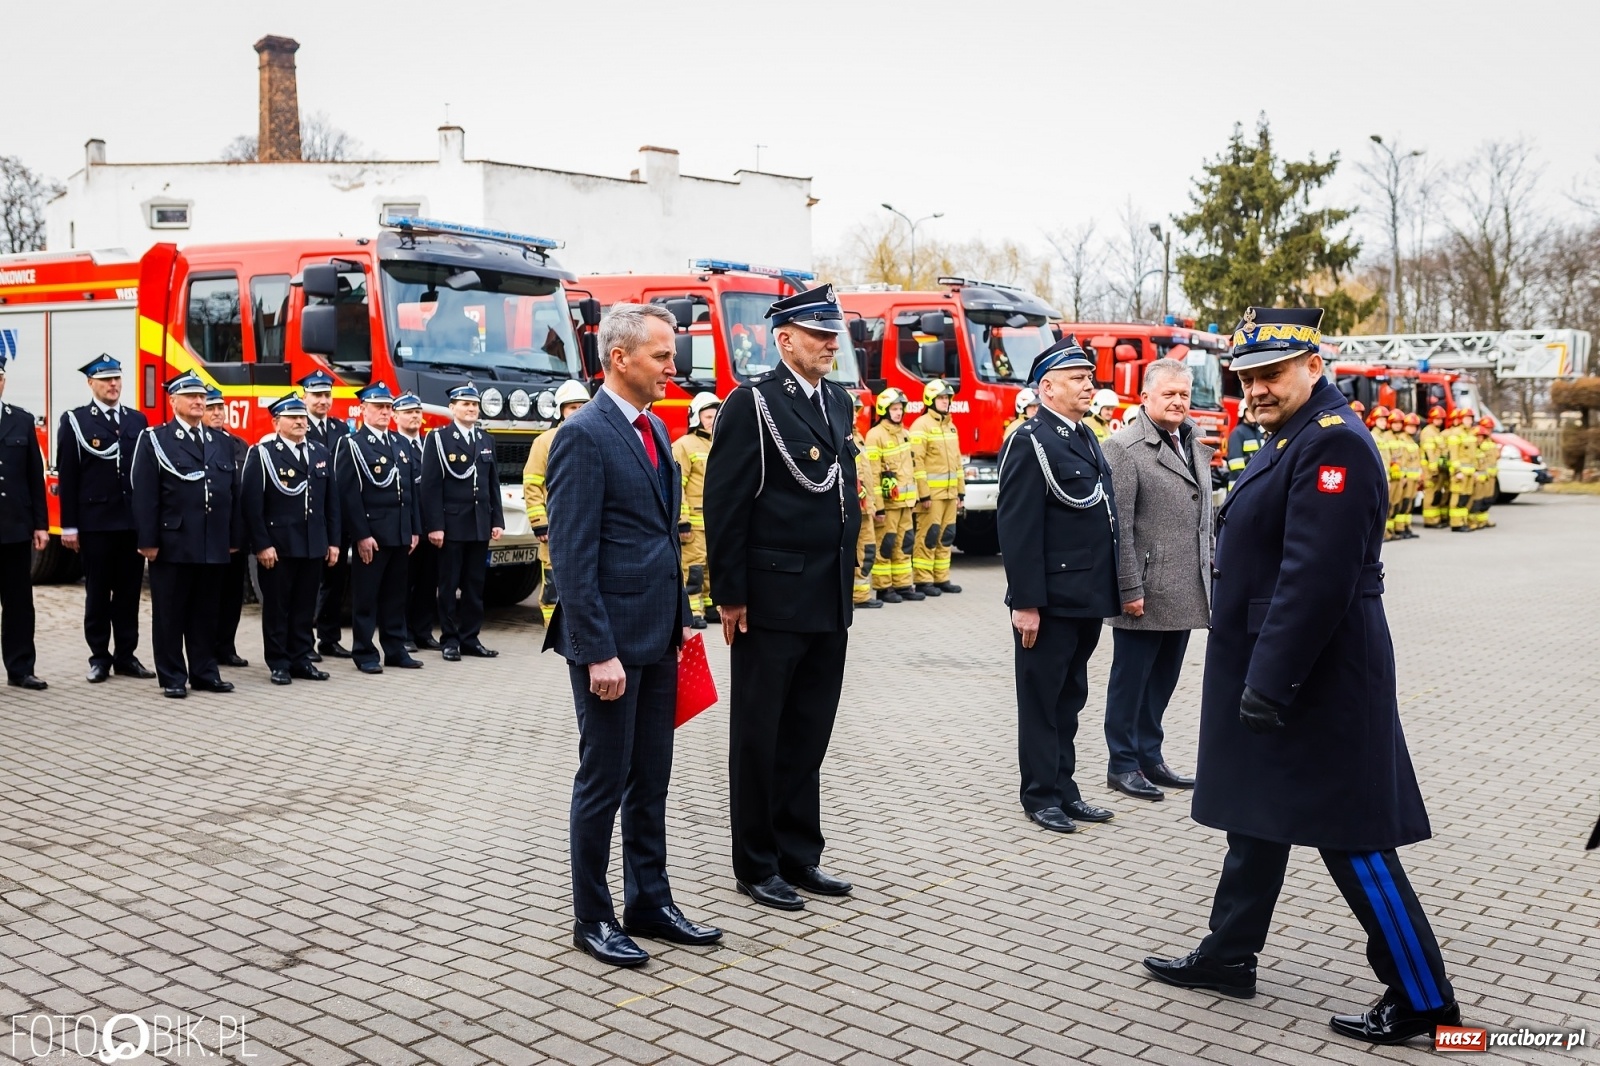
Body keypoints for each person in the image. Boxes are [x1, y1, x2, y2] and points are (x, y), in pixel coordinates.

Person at [1143, 307, 1460, 1046]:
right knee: (1257, 816)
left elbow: (1315, 579)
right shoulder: (1293, 435)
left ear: (1315, 366)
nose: (1255, 388)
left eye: (1272, 373)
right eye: (1246, 376)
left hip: (1316, 674)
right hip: (1280, 665)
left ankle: (1424, 998)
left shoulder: (1333, 443)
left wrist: (1271, 680)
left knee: (1352, 835)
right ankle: (1229, 954)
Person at [544, 303, 720, 967]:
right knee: (604, 782)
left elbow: (659, 539)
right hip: (611, 647)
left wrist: (680, 624)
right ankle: (592, 918)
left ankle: (649, 901)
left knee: (651, 781)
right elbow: (572, 556)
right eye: (661, 355)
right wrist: (598, 653)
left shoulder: (654, 428)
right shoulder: (583, 436)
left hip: (658, 636)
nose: (673, 367)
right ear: (620, 358)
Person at [704, 283, 862, 911]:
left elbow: (841, 493)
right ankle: (757, 862)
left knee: (808, 732)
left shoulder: (838, 401)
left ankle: (800, 853)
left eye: (832, 335)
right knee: (760, 734)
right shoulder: (754, 403)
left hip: (827, 595)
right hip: (770, 597)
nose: (829, 345)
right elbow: (726, 504)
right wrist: (730, 593)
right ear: (785, 339)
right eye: (818, 335)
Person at [996, 335, 1119, 834]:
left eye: (1088, 377)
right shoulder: (1030, 440)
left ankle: (1066, 790)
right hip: (1049, 601)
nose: (1088, 385)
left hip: (1085, 597)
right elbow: (1018, 528)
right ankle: (1040, 795)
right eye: (1077, 378)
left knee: (1070, 700)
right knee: (1042, 702)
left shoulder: (1084, 436)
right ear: (1047, 388)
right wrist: (1025, 603)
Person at [1101, 358, 1212, 802]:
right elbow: (1119, 527)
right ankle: (1122, 764)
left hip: (1184, 587)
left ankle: (1150, 756)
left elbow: (1203, 517)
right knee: (1130, 683)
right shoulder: (1124, 448)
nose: (1178, 401)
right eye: (1169, 393)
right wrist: (1129, 588)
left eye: (1184, 394)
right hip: (1145, 590)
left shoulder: (1192, 441)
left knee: (1162, 680)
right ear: (1145, 397)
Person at [129, 373, 242, 698]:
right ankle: (172, 676)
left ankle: (204, 672)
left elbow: (232, 494)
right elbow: (145, 493)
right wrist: (148, 540)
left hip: (211, 541)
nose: (198, 402)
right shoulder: (156, 439)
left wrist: (233, 537)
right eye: (191, 396)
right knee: (170, 613)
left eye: (202, 397)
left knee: (206, 612)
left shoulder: (220, 441)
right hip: (174, 541)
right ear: (173, 401)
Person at [56, 355, 154, 683]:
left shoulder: (136, 420)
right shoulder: (76, 421)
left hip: (129, 524)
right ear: (91, 383)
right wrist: (69, 526)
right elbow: (68, 477)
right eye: (105, 380)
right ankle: (99, 657)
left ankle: (126, 655)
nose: (113, 385)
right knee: (97, 593)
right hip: (96, 522)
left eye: (116, 379)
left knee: (128, 594)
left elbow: (144, 476)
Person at [241, 394, 340, 685]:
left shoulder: (320, 452)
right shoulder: (263, 453)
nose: (300, 422)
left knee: (304, 607)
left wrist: (332, 541)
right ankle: (279, 662)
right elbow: (252, 505)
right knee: (277, 608)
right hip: (279, 546)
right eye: (292, 417)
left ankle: (301, 659)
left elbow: (331, 502)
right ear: (276, 422)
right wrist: (262, 544)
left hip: (312, 543)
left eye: (302, 417)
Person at [337, 383, 422, 674]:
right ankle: (364, 652)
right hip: (372, 535)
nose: (385, 412)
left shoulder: (399, 443)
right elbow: (349, 495)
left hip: (399, 533)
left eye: (388, 407)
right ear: (364, 410)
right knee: (366, 598)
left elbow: (410, 491)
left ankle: (395, 649)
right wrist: (361, 535)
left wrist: (413, 529)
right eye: (379, 407)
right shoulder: (353, 444)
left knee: (395, 597)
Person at [422, 383, 504, 661]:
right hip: (452, 525)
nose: (471, 409)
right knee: (448, 585)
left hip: (479, 523)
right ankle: (449, 639)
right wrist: (435, 525)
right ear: (452, 408)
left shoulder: (485, 439)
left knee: (474, 586)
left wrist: (497, 520)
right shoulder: (439, 439)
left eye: (474, 404)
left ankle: (470, 638)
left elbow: (492, 484)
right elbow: (430, 486)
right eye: (465, 404)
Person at [522, 380, 590, 626]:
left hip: (586, 523)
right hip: (555, 526)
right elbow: (532, 483)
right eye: (572, 407)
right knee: (553, 577)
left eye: (582, 406)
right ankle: (553, 626)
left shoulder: (595, 436)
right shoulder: (545, 441)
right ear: (560, 410)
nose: (578, 411)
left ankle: (576, 625)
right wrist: (539, 522)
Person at [0, 352, 48, 690]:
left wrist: (41, 524)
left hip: (14, 529)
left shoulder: (21, 420)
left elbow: (35, 477)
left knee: (18, 604)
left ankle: (20, 669)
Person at [302, 370, 352, 658]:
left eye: (326, 395)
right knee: (309, 583)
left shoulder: (340, 429)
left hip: (336, 516)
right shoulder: (297, 425)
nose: (322, 400)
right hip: (309, 515)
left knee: (335, 580)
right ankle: (304, 642)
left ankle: (329, 638)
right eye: (317, 395)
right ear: (305, 397)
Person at [204, 388, 252, 667]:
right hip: (209, 534)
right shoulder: (199, 443)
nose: (217, 413)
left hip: (235, 533)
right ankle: (206, 649)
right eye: (211, 408)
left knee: (233, 595)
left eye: (220, 408)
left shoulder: (239, 445)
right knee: (209, 595)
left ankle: (226, 647)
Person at [863, 388, 922, 602]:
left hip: (905, 503)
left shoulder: (904, 434)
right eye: (894, 409)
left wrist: (915, 497)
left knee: (904, 543)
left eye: (900, 409)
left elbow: (911, 468)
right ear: (884, 410)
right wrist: (878, 506)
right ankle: (884, 587)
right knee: (886, 545)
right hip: (887, 505)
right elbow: (873, 474)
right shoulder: (875, 435)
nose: (898, 413)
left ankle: (903, 584)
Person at [909, 379, 964, 595]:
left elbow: (957, 462)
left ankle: (941, 578)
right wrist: (923, 495)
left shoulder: (951, 425)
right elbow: (917, 463)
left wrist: (960, 492)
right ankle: (923, 580)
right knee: (928, 536)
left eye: (947, 398)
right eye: (941, 398)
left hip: (950, 494)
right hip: (931, 496)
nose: (945, 401)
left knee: (946, 536)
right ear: (930, 400)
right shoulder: (920, 426)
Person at [393, 392, 438, 650]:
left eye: (417, 412)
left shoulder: (429, 444)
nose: (414, 416)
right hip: (406, 526)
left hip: (430, 525)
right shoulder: (393, 445)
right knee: (403, 584)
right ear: (396, 416)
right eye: (408, 412)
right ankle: (404, 634)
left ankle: (423, 631)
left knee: (427, 582)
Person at [671, 391, 720, 628]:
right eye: (708, 416)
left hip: (716, 522)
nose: (712, 421)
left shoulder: (720, 444)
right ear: (696, 418)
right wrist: (682, 521)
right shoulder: (684, 445)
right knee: (694, 568)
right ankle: (693, 611)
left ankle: (710, 607)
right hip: (694, 522)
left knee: (713, 566)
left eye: (715, 416)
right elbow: (677, 486)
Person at [848, 391, 884, 609]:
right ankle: (847, 597)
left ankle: (860, 596)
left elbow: (869, 476)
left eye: (856, 411)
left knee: (867, 550)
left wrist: (873, 504)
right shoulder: (837, 436)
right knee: (849, 554)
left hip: (865, 508)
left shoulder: (859, 438)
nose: (855, 415)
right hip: (850, 509)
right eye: (852, 411)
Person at [1222, 404, 1264, 497]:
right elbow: (1235, 463)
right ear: (1242, 413)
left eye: (1254, 410)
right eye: (1249, 411)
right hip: (1239, 487)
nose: (1252, 414)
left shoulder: (1259, 433)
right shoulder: (1238, 433)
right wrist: (1245, 483)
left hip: (1256, 485)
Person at [1446, 409, 1476, 532]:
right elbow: (1453, 455)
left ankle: (1462, 521)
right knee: (1457, 498)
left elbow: (1473, 455)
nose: (1469, 421)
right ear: (1461, 419)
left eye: (1470, 418)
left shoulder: (1471, 434)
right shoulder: (1456, 433)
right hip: (1460, 473)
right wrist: (1457, 471)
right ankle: (1456, 524)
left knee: (1465, 498)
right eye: (1466, 418)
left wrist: (1475, 470)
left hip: (1469, 473)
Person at [1418, 407, 1449, 528]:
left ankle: (1436, 519)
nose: (1439, 421)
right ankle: (1430, 521)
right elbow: (1429, 453)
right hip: (1430, 470)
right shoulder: (1428, 432)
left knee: (1436, 493)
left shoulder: (1436, 431)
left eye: (1441, 419)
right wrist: (1434, 470)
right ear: (1431, 419)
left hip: (1436, 468)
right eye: (1437, 419)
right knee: (1431, 493)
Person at [1471, 417, 1498, 530]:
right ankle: (1474, 520)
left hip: (1490, 475)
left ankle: (1483, 520)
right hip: (1482, 476)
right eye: (1487, 428)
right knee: (1477, 499)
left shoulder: (1491, 441)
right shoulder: (1478, 442)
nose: (1489, 430)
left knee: (1487, 499)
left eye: (1490, 428)